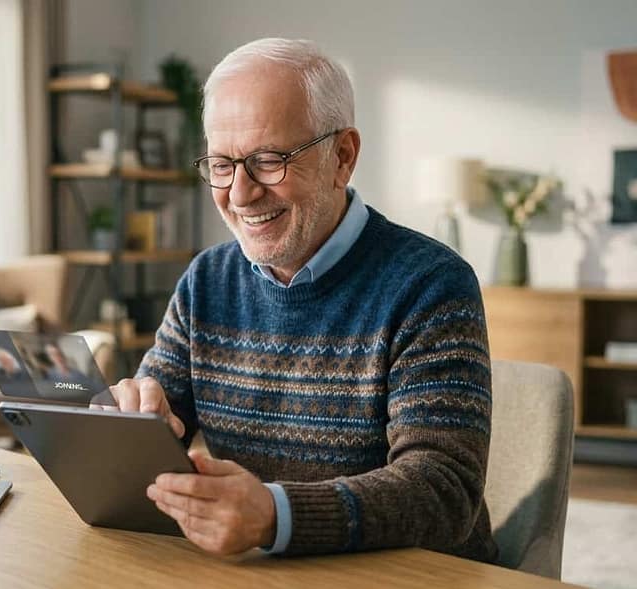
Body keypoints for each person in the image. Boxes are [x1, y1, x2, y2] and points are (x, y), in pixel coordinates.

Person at [110, 38, 497, 562]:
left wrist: (273, 515)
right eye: (221, 165)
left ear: (342, 157)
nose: (240, 194)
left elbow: (443, 492)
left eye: (268, 160)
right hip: (260, 571)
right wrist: (128, 424)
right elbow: (158, 427)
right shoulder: (206, 280)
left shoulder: (431, 284)